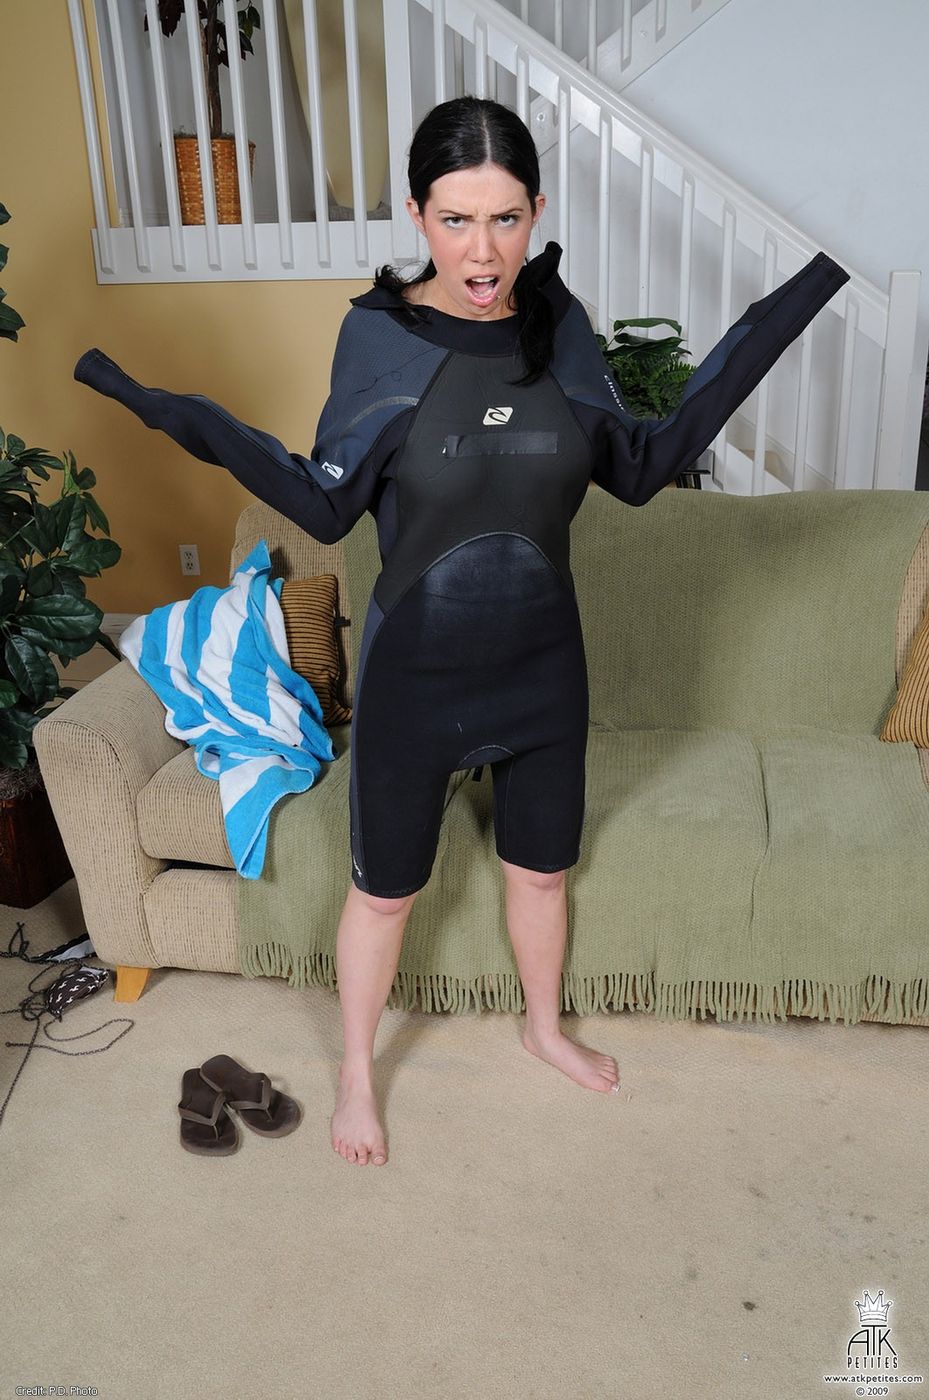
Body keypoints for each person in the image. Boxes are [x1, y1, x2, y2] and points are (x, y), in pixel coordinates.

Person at [73, 97, 850, 1169]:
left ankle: (543, 1028)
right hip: (417, 675)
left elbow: (640, 466)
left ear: (536, 211)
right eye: (454, 220)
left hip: (543, 667)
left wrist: (798, 299)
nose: (481, 253)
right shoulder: (381, 340)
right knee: (384, 893)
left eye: (503, 219)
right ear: (415, 214)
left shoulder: (557, 327)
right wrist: (162, 406)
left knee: (542, 874)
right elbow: (324, 504)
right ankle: (358, 1073)